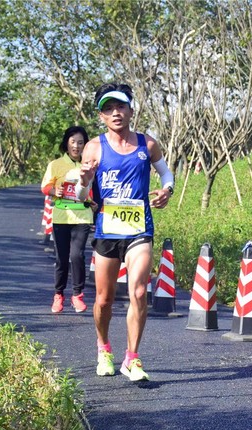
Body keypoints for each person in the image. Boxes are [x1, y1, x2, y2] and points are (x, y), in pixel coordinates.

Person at [75, 83, 174, 382]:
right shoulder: (94, 147)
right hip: (107, 230)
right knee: (104, 300)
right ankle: (104, 348)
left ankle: (132, 357)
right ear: (101, 115)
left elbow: (166, 173)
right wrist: (85, 181)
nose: (115, 113)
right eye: (108, 108)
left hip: (139, 229)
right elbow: (81, 196)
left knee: (139, 291)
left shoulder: (148, 144)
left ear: (131, 109)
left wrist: (167, 190)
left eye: (120, 106)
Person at [41, 126, 94, 314]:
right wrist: (55, 191)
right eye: (73, 142)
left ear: (86, 146)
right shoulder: (55, 165)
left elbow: (96, 189)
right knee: (61, 259)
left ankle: (77, 295)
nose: (76, 146)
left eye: (81, 142)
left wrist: (94, 201)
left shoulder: (90, 165)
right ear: (66, 144)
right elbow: (45, 187)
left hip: (82, 217)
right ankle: (58, 295)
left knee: (77, 256)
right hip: (61, 218)